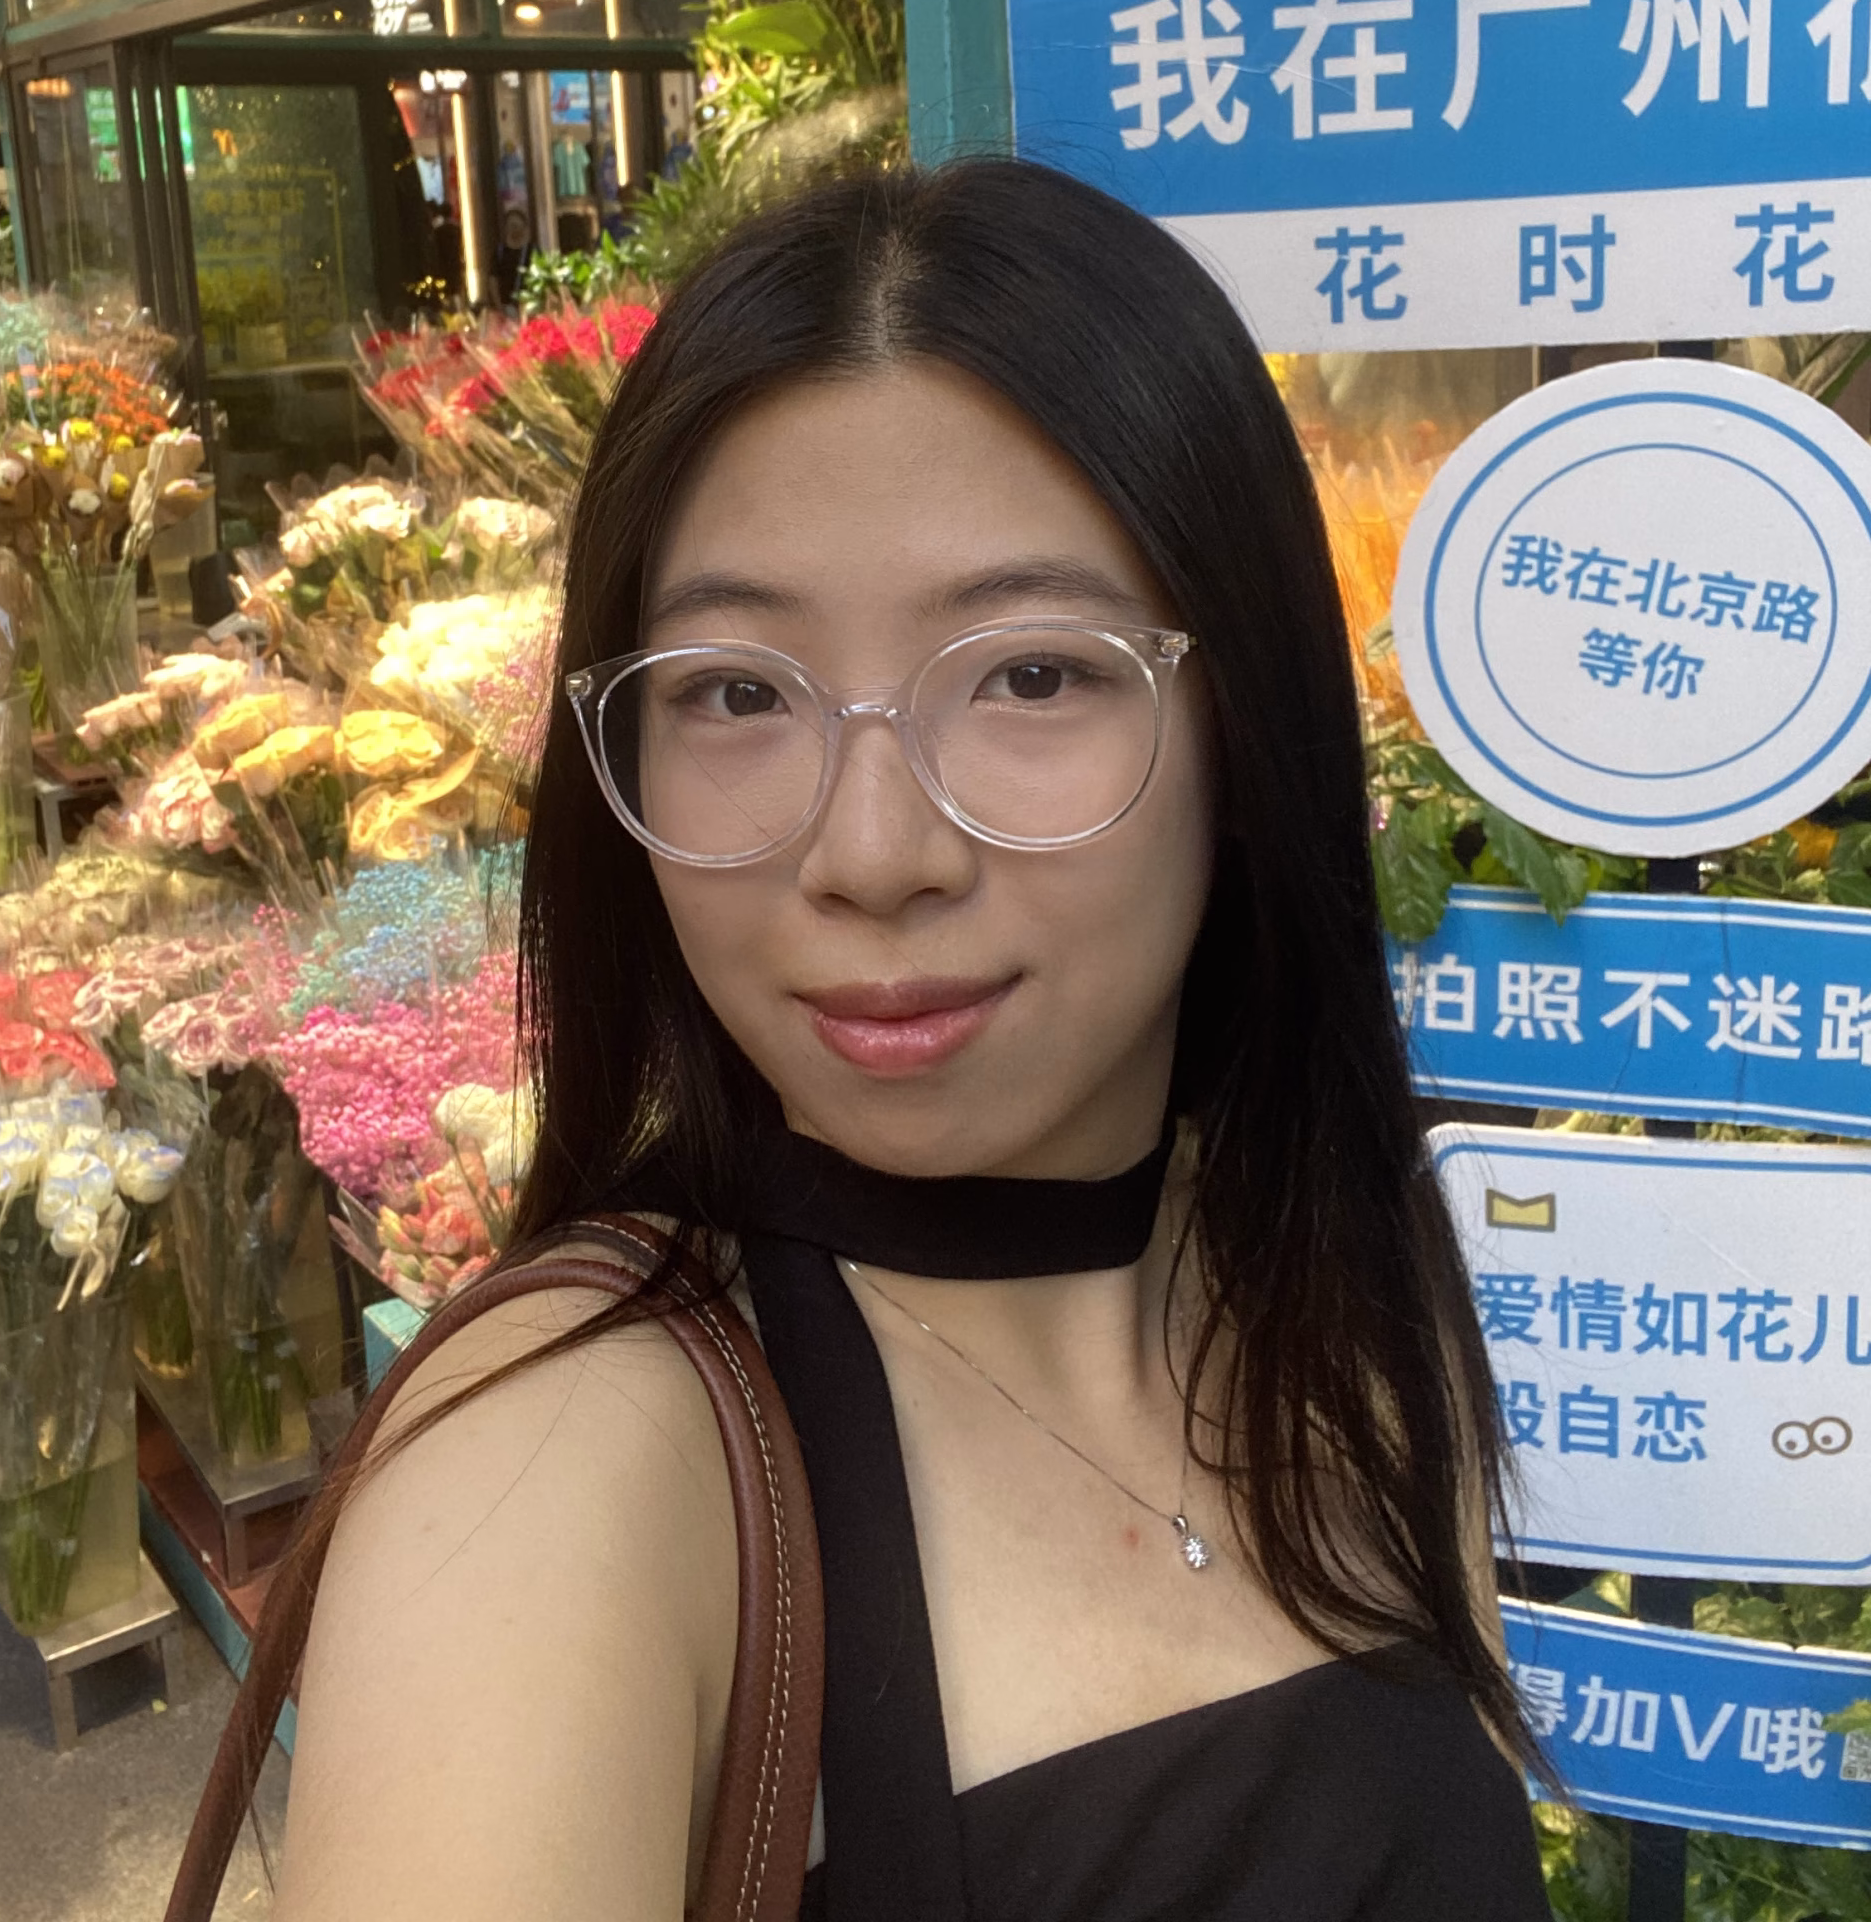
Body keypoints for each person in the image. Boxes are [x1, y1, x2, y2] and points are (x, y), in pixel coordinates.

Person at [274, 159, 1551, 1921]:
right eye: (735, 691)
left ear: (1244, 717)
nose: (874, 855)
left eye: (1031, 673)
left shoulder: (1335, 1288)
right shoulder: (565, 1469)